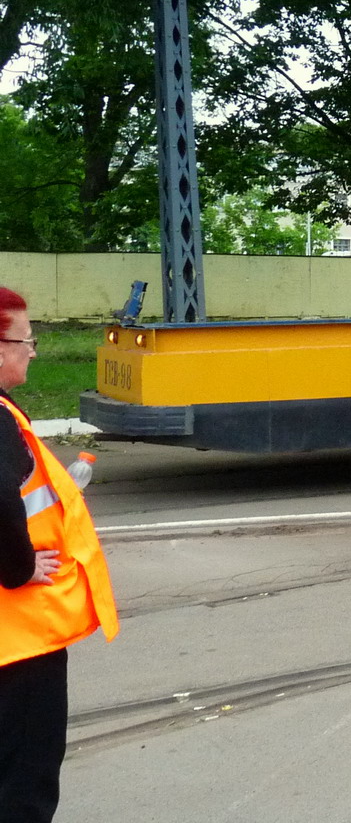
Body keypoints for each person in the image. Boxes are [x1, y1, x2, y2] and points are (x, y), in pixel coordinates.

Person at [1, 286, 118, 821]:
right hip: (19, 641)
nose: (33, 350)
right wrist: (19, 566)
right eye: (26, 339)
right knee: (23, 780)